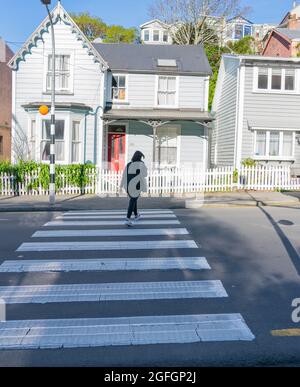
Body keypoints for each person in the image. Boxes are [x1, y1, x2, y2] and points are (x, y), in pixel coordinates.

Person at [120, 151, 148, 227]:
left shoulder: (129, 164)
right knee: (133, 200)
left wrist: (122, 185)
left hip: (128, 186)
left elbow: (124, 175)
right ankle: (127, 219)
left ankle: (136, 215)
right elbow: (144, 174)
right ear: (139, 157)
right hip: (136, 186)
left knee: (133, 199)